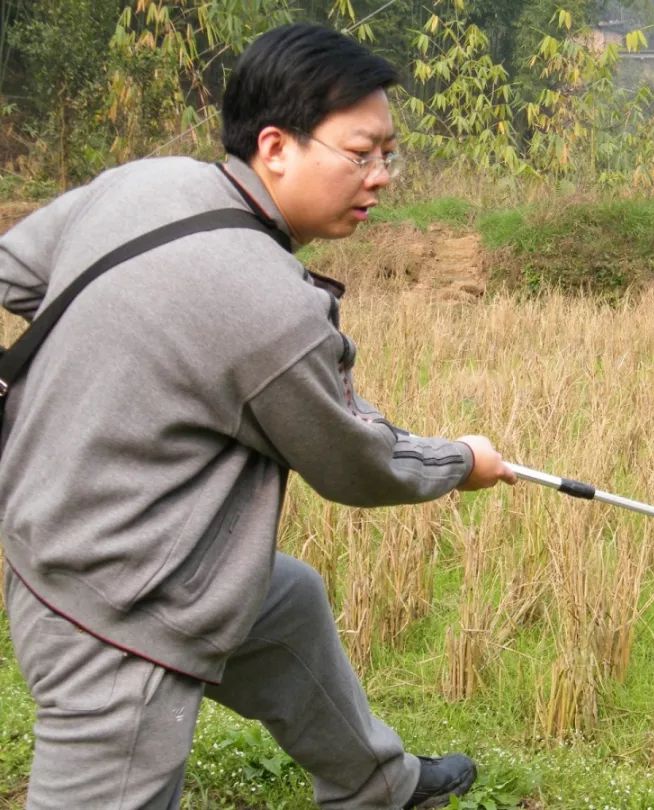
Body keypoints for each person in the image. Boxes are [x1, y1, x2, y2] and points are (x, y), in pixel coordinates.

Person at [0, 22, 515, 809]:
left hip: (68, 537)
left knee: (285, 602)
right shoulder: (275, 309)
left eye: (388, 154)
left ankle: (377, 784)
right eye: (360, 153)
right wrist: (461, 462)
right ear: (275, 146)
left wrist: (139, 351)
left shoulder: (146, 183)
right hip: (116, 605)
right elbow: (353, 460)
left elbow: (15, 272)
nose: (382, 177)